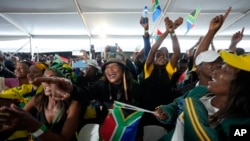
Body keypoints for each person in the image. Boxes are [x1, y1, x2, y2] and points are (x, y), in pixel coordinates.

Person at [154, 7, 232, 141]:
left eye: (222, 67)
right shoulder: (192, 94)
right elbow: (175, 107)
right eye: (212, 64)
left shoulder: (240, 114)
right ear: (198, 69)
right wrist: (165, 112)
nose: (217, 67)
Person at [0, 62, 81, 141]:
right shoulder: (38, 99)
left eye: (52, 79)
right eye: (44, 78)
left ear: (65, 83)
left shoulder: (73, 105)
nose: (46, 82)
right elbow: (16, 122)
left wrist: (35, 126)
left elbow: (64, 139)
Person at [137, 16, 182, 141]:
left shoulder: (168, 70)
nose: (162, 57)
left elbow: (177, 52)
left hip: (164, 110)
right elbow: (152, 50)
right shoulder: (148, 69)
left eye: (165, 56)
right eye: (159, 55)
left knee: (162, 135)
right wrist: (167, 31)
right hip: (147, 110)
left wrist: (173, 32)